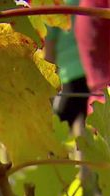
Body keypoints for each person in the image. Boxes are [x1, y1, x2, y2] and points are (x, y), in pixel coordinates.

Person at [44, 0, 89, 132]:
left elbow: (49, 52)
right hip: (92, 72)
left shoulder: (53, 4)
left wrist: (49, 84)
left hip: (70, 75)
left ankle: (49, 151)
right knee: (85, 126)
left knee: (56, 132)